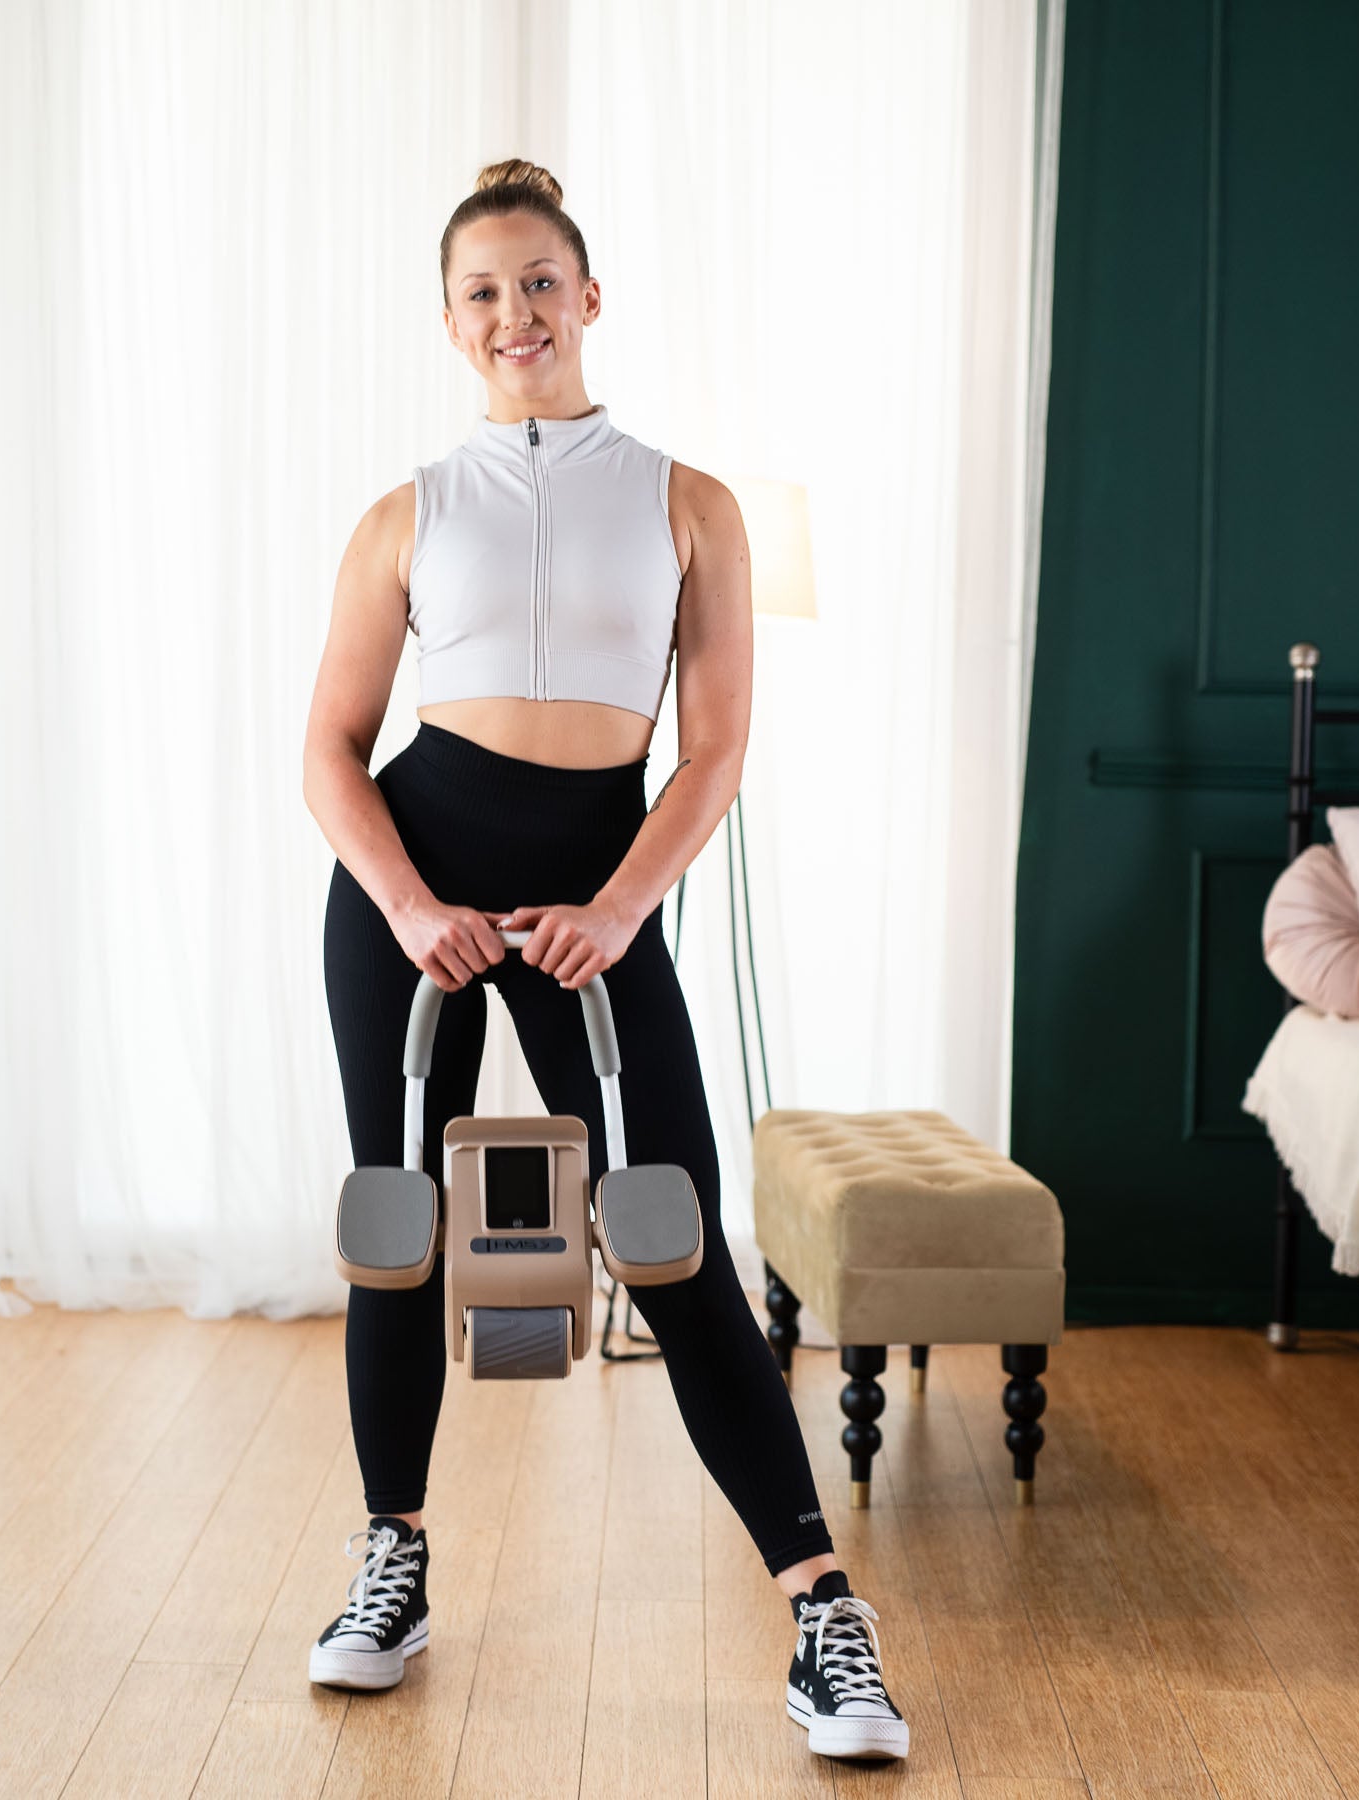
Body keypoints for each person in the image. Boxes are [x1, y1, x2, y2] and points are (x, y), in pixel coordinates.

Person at [299, 158, 908, 1764]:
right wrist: (409, 906)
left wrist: (622, 908)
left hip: (597, 896)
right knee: (397, 1229)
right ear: (451, 320)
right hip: (412, 899)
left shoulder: (690, 504)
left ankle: (824, 1619)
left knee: (670, 1233)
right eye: (482, 290)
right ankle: (391, 1561)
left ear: (588, 296)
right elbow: (330, 753)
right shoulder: (405, 514)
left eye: (538, 282)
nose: (515, 311)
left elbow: (713, 752)